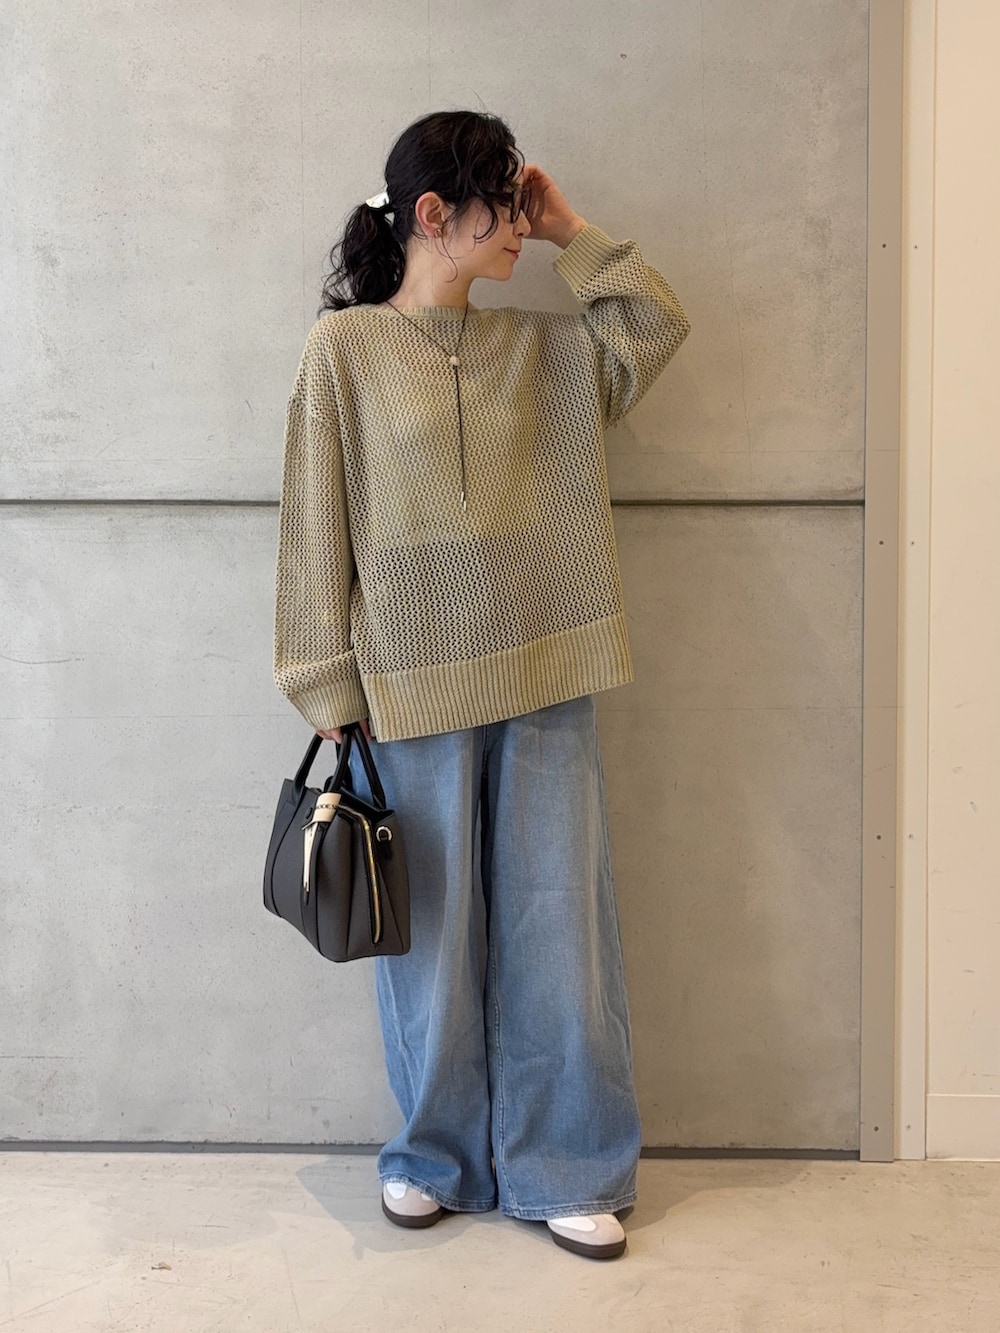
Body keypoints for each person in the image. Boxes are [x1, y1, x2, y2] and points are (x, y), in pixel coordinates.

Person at [273, 109, 690, 1260]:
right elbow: (314, 520)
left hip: (548, 663)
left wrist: (567, 230)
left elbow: (652, 323)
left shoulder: (548, 352)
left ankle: (569, 1164)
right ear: (432, 213)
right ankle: (433, 1154)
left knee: (562, 933)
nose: (515, 224)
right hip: (406, 683)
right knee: (432, 943)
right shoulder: (344, 352)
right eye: (501, 203)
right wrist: (324, 678)